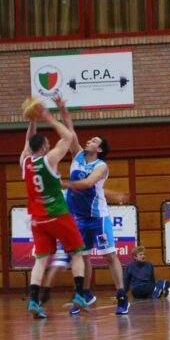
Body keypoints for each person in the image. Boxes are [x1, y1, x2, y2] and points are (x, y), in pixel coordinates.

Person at [51, 95, 129, 315]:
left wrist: (64, 184)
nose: (89, 141)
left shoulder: (101, 166)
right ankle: (84, 294)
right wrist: (62, 108)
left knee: (109, 256)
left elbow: (87, 183)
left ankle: (122, 296)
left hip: (98, 218)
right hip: (78, 217)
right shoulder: (77, 155)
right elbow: (70, 128)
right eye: (89, 139)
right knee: (82, 256)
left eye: (94, 141)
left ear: (100, 149)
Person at [19, 102, 90, 319]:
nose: (50, 146)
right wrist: (48, 118)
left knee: (41, 260)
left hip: (37, 219)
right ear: (43, 147)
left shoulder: (24, 162)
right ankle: (80, 294)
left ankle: (33, 300)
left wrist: (32, 121)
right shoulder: (49, 160)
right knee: (76, 254)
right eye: (48, 144)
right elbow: (68, 137)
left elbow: (27, 142)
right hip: (57, 214)